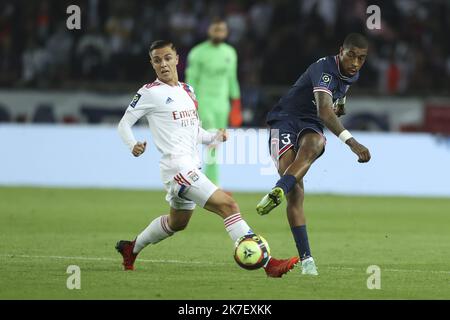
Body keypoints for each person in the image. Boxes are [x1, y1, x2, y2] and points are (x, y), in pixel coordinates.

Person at [115, 40, 298, 277]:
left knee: (177, 223)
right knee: (228, 205)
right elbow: (124, 124)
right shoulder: (149, 92)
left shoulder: (188, 90)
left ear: (177, 59)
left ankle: (132, 248)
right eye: (157, 60)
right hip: (177, 168)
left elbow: (193, 132)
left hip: (190, 167)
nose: (163, 64)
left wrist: (213, 136)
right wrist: (133, 145)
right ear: (152, 63)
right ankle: (268, 264)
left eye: (167, 58)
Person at [256, 33, 372, 276]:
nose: (355, 63)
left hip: (309, 123)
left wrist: (340, 102)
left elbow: (336, 99)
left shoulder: (352, 73)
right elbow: (324, 112)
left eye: (361, 58)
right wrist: (351, 142)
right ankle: (305, 253)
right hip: (285, 119)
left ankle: (279, 190)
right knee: (295, 190)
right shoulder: (324, 69)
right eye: (351, 55)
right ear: (341, 50)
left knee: (316, 142)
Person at [185, 17, 243, 186]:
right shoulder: (197, 53)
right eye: (216, 30)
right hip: (204, 102)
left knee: (216, 142)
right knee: (210, 139)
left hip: (222, 105)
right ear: (209, 31)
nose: (219, 33)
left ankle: (208, 181)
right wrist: (191, 103)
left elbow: (232, 79)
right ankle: (209, 181)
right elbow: (191, 80)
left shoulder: (230, 53)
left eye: (222, 30)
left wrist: (236, 105)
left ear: (226, 32)